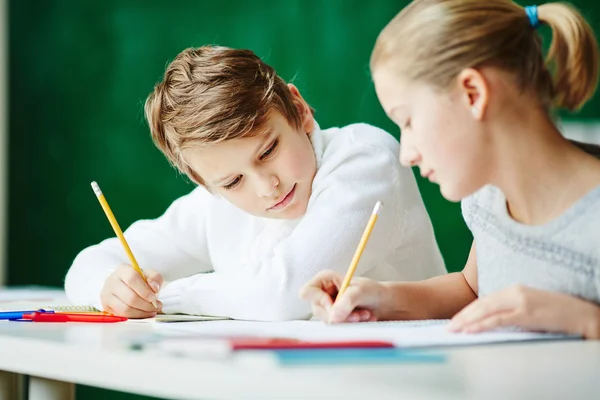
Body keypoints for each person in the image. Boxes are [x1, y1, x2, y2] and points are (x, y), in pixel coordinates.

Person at [64, 45, 446, 321]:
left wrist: (164, 296)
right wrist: (110, 289)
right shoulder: (216, 203)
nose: (266, 187)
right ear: (204, 183)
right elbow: (87, 265)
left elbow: (280, 296)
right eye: (232, 181)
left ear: (298, 109)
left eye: (268, 151)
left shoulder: (365, 157)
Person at [300, 0, 600, 338]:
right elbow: (470, 290)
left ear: (472, 93)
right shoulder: (487, 197)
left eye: (408, 121)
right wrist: (381, 297)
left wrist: (586, 319)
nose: (406, 154)